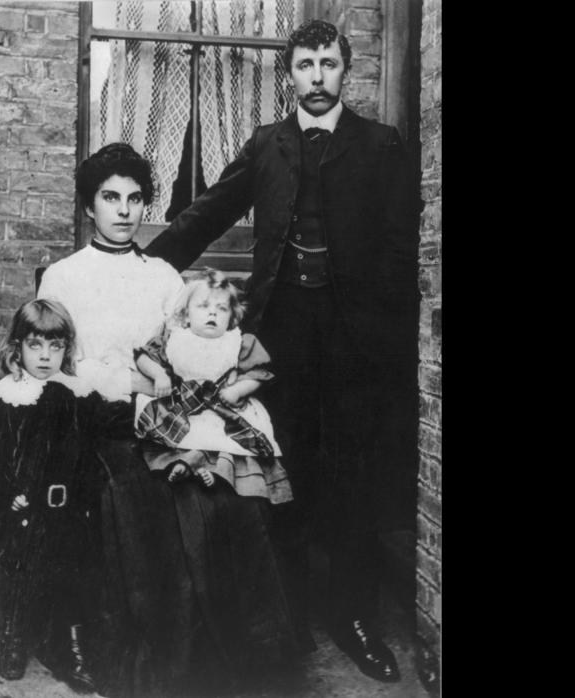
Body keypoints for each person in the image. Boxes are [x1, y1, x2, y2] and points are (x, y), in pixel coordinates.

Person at [143, 19, 420, 684]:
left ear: (345, 70)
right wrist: (145, 268)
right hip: (281, 332)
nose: (317, 77)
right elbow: (208, 210)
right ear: (290, 74)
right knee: (282, 464)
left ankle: (350, 615)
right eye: (305, 65)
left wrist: (381, 329)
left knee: (350, 473)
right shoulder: (267, 144)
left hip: (353, 337)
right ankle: (289, 612)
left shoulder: (381, 146)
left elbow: (399, 246)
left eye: (328, 64)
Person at [38, 143, 300, 696]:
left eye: (135, 199)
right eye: (111, 198)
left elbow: (184, 351)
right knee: (143, 500)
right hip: (98, 418)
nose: (124, 210)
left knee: (226, 496)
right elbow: (60, 370)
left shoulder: (162, 277)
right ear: (90, 207)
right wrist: (128, 382)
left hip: (168, 416)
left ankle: (233, 655)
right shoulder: (63, 277)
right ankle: (156, 656)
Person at [0, 299, 134, 692]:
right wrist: (8, 496)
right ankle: (15, 638)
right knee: (25, 573)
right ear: (18, 348)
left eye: (55, 347)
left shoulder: (79, 394)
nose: (45, 357)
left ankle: (73, 649)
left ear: (67, 348)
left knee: (77, 579)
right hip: (28, 509)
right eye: (35, 346)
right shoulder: (9, 397)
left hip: (73, 510)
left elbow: (104, 436)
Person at [134, 268, 292, 507]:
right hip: (183, 406)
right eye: (203, 306)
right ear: (186, 315)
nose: (212, 313)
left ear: (231, 317)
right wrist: (159, 376)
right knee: (178, 436)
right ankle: (183, 464)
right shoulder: (174, 337)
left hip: (222, 406)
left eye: (221, 309)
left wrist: (238, 389)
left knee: (227, 442)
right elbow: (144, 357)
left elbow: (259, 373)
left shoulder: (237, 342)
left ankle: (216, 474)